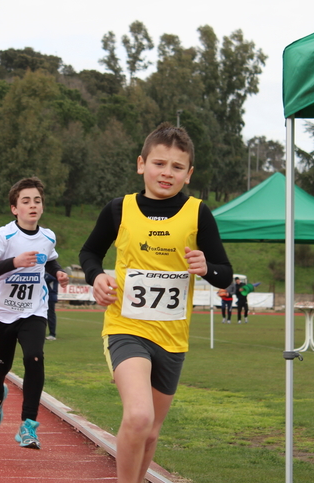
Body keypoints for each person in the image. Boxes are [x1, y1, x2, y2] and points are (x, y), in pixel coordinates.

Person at [79, 122, 233, 483]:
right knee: (137, 417)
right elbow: (89, 252)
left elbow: (225, 274)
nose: (167, 173)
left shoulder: (199, 213)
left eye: (177, 167)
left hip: (173, 338)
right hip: (126, 327)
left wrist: (206, 267)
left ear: (189, 174)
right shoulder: (119, 209)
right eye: (159, 164)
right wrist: (96, 276)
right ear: (141, 164)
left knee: (149, 432)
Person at [0, 177, 69, 450]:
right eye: (26, 201)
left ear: (42, 207)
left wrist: (59, 272)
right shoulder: (3, 235)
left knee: (34, 357)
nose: (32, 205)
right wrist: (14, 263)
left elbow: (50, 260)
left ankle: (28, 425)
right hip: (3, 314)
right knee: (0, 367)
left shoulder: (48, 236)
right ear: (14, 208)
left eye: (37, 201)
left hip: (34, 311)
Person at [44, 272, 59, 340]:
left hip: (50, 296)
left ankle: (52, 334)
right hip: (45, 296)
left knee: (50, 315)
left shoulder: (52, 274)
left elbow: (46, 279)